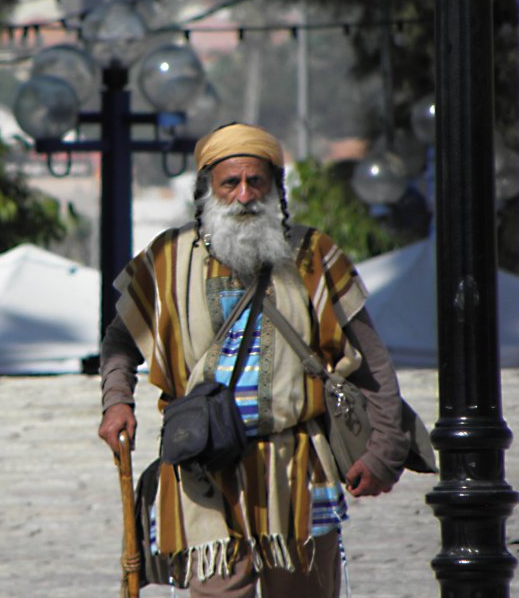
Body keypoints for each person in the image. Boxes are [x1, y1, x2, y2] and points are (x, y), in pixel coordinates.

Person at [98, 123, 411, 598]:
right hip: (201, 470)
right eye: (230, 183)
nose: (244, 195)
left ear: (275, 187)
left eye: (256, 181)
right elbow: (121, 340)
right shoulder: (165, 258)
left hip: (297, 467)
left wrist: (384, 450)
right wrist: (116, 401)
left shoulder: (315, 256)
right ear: (208, 189)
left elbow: (371, 360)